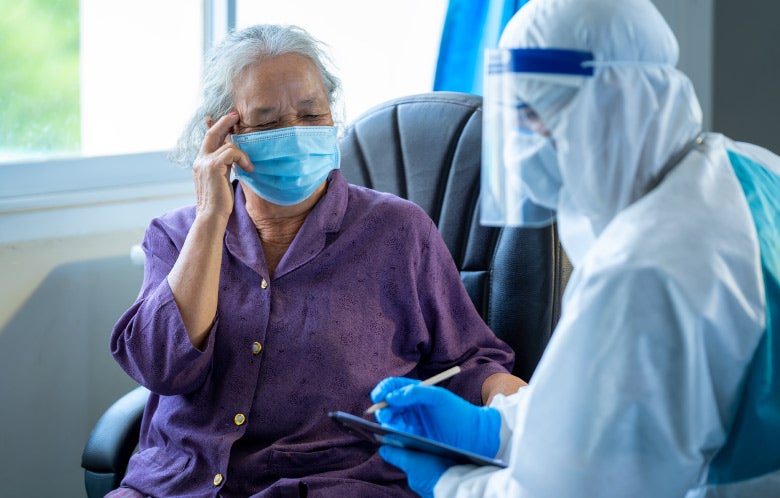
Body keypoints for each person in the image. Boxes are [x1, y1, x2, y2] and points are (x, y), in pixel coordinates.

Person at [368, 0, 780, 496]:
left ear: (616, 101)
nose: (526, 144)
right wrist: (497, 429)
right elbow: (616, 412)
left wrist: (452, 483)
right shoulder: (752, 171)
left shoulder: (641, 270)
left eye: (539, 115)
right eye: (518, 119)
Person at [106, 24, 525, 498]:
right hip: (177, 485)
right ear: (223, 133)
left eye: (311, 114)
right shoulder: (176, 235)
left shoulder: (397, 231)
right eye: (267, 123)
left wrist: (531, 421)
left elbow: (470, 361)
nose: (296, 135)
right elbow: (162, 370)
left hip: (333, 486)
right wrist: (210, 220)